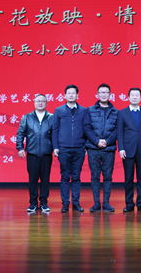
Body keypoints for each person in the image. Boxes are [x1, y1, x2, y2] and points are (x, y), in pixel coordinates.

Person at [16, 94, 54, 213]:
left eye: (43, 101)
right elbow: (20, 133)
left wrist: (56, 148)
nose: (40, 103)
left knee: (45, 179)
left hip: (47, 153)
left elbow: (56, 135)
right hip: (32, 153)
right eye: (38, 101)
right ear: (34, 103)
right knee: (32, 179)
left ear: (46, 103)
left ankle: (43, 203)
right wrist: (20, 147)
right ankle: (33, 203)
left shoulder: (51, 117)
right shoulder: (27, 117)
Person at [83, 83, 118, 212]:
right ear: (97, 94)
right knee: (95, 176)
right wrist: (96, 141)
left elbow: (117, 130)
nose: (103, 94)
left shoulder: (116, 112)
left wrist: (107, 142)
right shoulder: (89, 110)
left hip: (109, 149)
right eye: (101, 92)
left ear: (110, 95)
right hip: (93, 148)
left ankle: (106, 202)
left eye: (106, 92)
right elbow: (87, 128)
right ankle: (96, 202)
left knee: (108, 176)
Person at [117, 87, 141, 212]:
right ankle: (129, 203)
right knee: (128, 178)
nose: (135, 97)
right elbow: (120, 132)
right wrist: (121, 148)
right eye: (132, 95)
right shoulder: (122, 113)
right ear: (128, 97)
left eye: (137, 95)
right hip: (128, 149)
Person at [53, 84, 87, 213]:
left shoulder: (83, 110)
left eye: (73, 93)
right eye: (69, 93)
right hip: (64, 148)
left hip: (79, 148)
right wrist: (56, 147)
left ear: (77, 95)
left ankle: (76, 203)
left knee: (76, 176)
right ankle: (65, 203)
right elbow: (55, 130)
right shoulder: (59, 110)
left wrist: (85, 146)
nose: (71, 95)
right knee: (65, 176)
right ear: (65, 95)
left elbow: (87, 129)